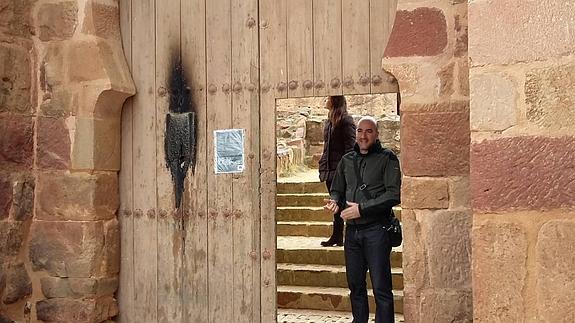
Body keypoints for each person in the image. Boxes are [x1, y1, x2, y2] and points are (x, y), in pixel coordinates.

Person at [323, 116, 401, 323]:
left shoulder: (388, 158)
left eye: (369, 131)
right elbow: (337, 188)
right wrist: (334, 201)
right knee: (355, 286)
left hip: (377, 230)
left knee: (381, 288)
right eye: (360, 131)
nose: (363, 135)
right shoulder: (347, 160)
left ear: (376, 134)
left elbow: (394, 194)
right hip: (352, 233)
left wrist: (363, 209)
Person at [318, 95, 356, 247]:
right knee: (336, 204)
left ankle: (342, 236)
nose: (325, 100)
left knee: (341, 203)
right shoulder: (329, 121)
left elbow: (350, 147)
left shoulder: (346, 121)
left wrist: (345, 169)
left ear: (334, 101)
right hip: (329, 169)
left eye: (328, 98)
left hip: (340, 170)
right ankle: (337, 236)